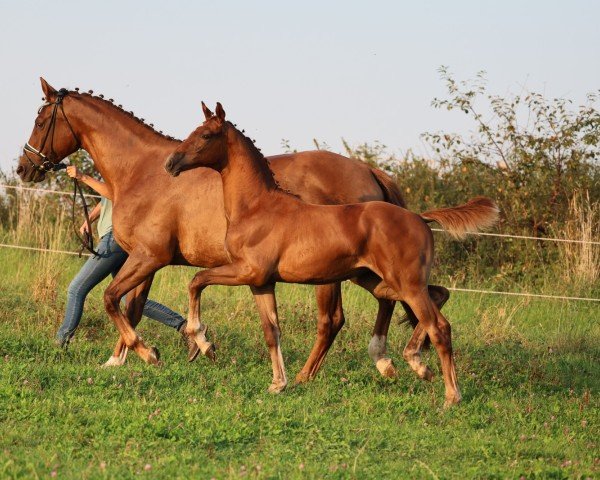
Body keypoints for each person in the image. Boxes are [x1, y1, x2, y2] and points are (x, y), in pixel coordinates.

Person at [56, 165, 195, 356]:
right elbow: (107, 198)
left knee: (76, 288)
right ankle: (184, 327)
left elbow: (116, 194)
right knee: (129, 298)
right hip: (115, 236)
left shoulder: (127, 169)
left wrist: (83, 177)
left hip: (114, 239)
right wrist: (90, 218)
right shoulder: (117, 166)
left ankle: (60, 345)